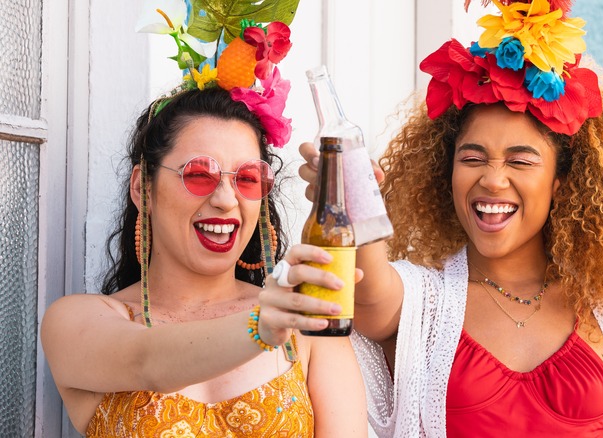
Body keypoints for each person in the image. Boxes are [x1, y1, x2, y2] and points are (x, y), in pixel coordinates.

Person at [296, 0, 603, 436]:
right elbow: (369, 290)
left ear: (562, 183)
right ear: (446, 174)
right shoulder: (425, 303)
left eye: (521, 161)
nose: (493, 180)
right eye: (473, 157)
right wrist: (348, 200)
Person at [41, 3, 367, 437]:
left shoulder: (305, 329)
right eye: (199, 174)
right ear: (143, 188)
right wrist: (262, 325)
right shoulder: (79, 320)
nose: (226, 199)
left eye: (248, 179)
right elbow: (148, 361)